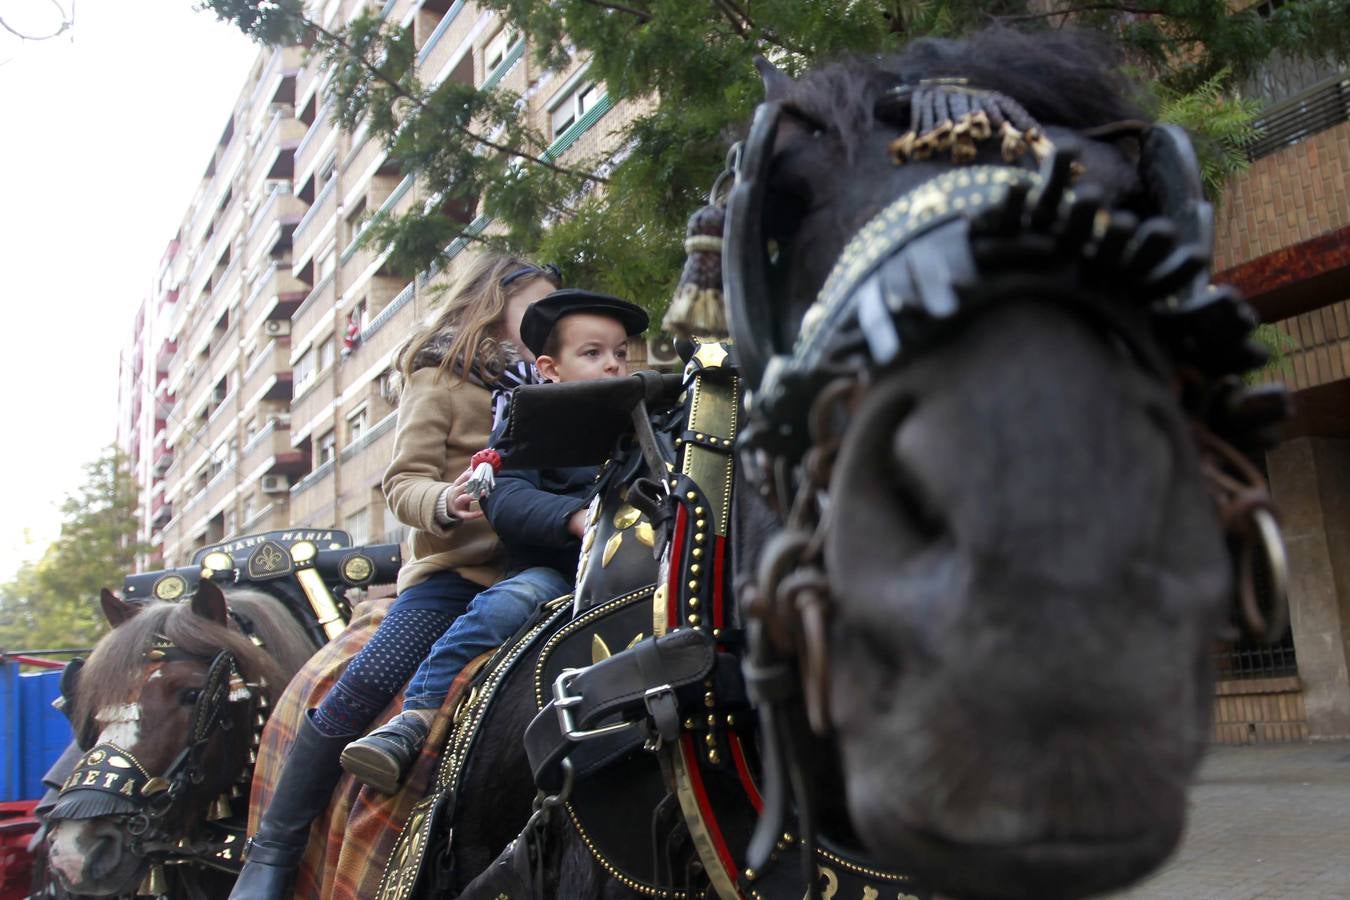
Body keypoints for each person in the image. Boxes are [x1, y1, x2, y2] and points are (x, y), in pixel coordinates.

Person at [230, 254, 562, 900]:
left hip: (543, 570)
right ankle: (274, 847)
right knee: (373, 676)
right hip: (457, 573)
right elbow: (401, 482)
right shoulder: (441, 376)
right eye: (539, 312)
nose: (551, 325)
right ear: (495, 305)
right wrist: (446, 501)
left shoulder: (556, 385)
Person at [339, 289, 650, 793]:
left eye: (619, 353)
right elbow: (503, 494)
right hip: (544, 571)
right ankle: (414, 717)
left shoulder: (643, 421)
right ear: (549, 367)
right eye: (593, 354)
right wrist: (573, 516)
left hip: (632, 569)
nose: (613, 365)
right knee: (511, 601)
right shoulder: (528, 418)